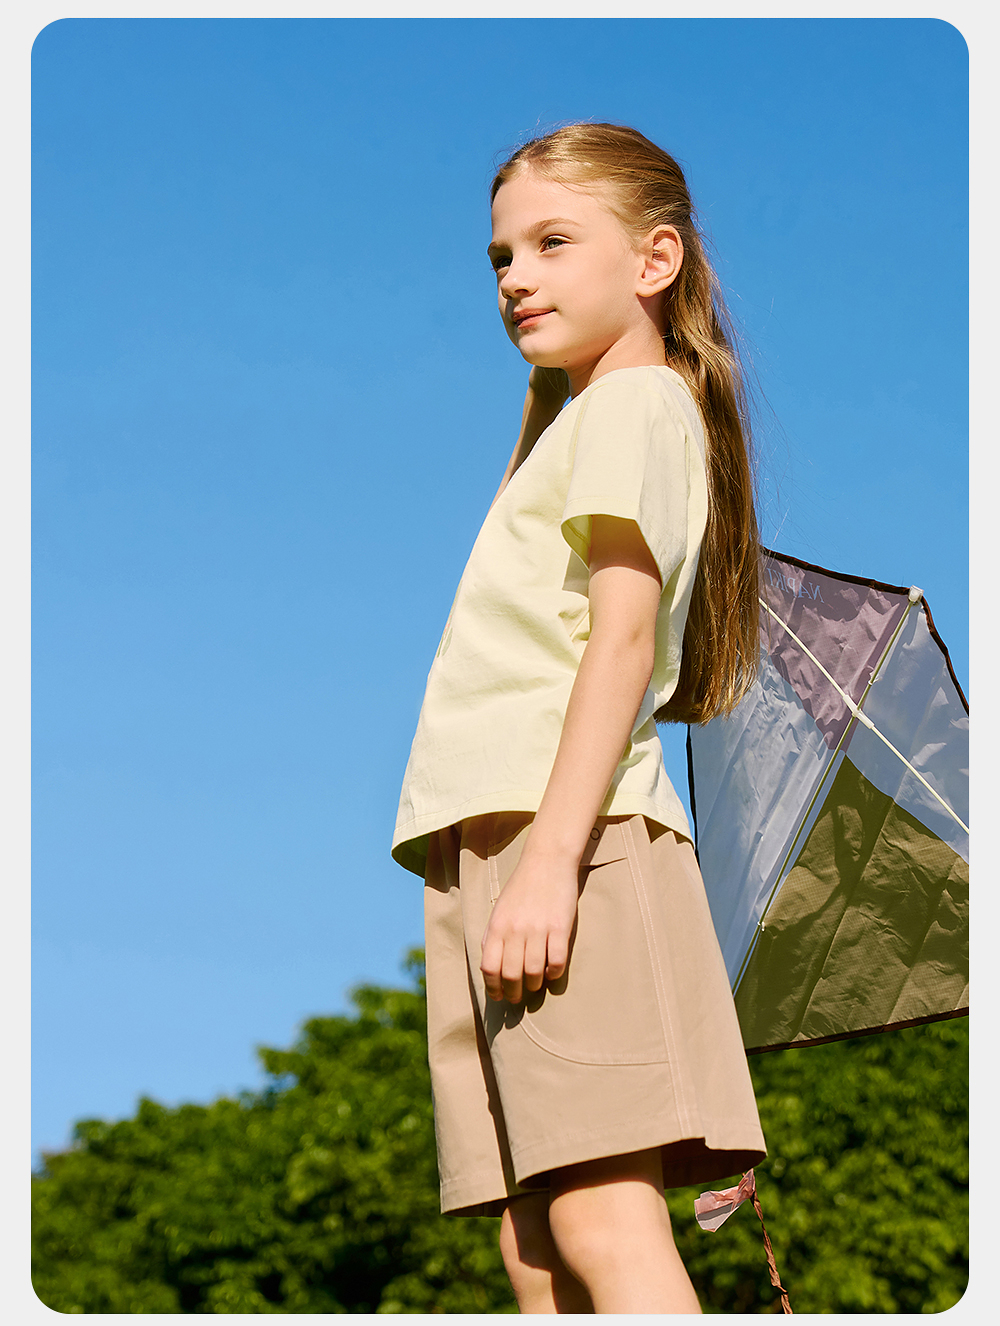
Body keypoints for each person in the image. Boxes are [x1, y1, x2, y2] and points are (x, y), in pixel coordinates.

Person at [391, 122, 766, 1314]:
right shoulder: (581, 420)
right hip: (493, 838)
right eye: (501, 255)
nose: (516, 276)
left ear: (655, 260)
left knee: (599, 1213)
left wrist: (552, 863)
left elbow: (620, 642)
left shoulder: (638, 404)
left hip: (569, 839)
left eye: (553, 242)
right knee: (535, 1241)